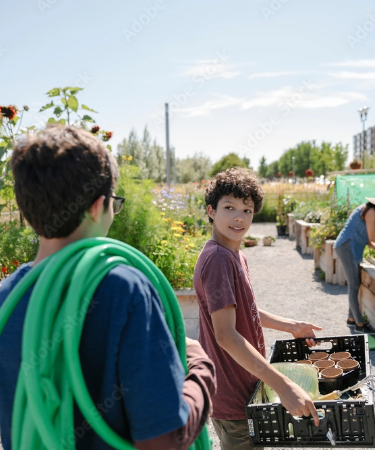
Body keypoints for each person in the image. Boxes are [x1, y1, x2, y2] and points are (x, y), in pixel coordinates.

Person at [0, 125, 216, 450]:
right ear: (97, 206)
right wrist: (200, 368)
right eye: (115, 203)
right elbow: (164, 440)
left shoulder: (7, 299)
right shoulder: (122, 289)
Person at [193, 167, 322, 450]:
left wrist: (291, 326)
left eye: (247, 210)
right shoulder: (218, 260)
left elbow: (243, 311)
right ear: (211, 211)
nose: (239, 217)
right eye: (229, 207)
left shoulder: (234, 253)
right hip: (233, 395)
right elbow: (225, 335)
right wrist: (283, 386)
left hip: (244, 386)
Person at [334, 199, 375, 334]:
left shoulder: (367, 208)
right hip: (346, 246)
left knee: (354, 284)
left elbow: (368, 240)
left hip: (350, 247)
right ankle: (359, 324)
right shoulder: (371, 211)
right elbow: (372, 238)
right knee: (353, 285)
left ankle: (351, 319)